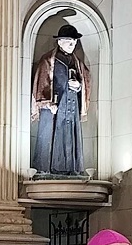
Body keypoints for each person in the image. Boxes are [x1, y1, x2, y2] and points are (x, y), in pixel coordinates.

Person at [31, 24, 91, 177]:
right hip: (54, 109)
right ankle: (47, 170)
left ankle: (72, 170)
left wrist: (78, 86)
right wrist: (47, 103)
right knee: (52, 138)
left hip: (71, 109)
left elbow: (85, 79)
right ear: (59, 41)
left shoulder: (77, 62)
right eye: (69, 41)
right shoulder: (48, 60)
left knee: (70, 137)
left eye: (74, 41)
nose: (72, 44)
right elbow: (41, 82)